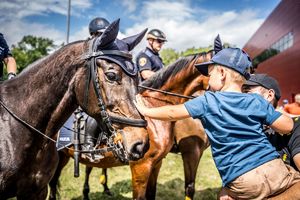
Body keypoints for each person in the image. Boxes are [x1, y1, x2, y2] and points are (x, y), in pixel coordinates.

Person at [134, 47, 300, 199]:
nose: (207, 77)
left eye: (209, 73)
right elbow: (287, 127)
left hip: (242, 178)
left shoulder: (208, 101)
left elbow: (171, 112)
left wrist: (146, 111)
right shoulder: (256, 101)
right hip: (274, 167)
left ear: (222, 73)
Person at [243, 73, 300, 171]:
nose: (240, 98)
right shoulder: (243, 128)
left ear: (269, 95)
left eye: (247, 92)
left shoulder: (296, 126)